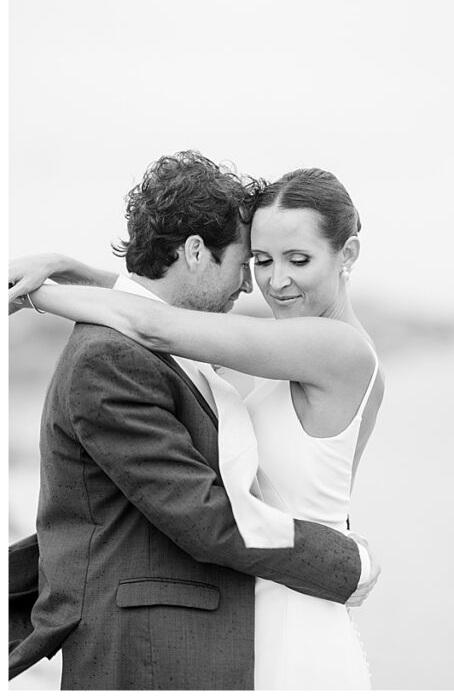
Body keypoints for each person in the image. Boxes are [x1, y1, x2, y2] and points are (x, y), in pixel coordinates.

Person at [8, 152, 381, 690]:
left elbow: (159, 323)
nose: (269, 283)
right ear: (197, 251)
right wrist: (69, 269)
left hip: (295, 596)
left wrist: (42, 289)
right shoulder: (284, 342)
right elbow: (158, 311)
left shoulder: (334, 347)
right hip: (266, 593)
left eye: (298, 260)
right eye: (257, 260)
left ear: (347, 254)